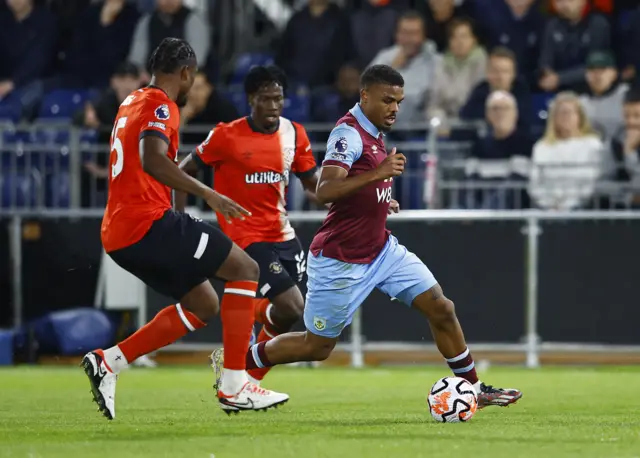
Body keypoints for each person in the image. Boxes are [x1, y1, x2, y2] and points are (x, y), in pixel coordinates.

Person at [212, 64, 523, 409]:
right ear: (365, 95)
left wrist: (378, 198)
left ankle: (474, 389)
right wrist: (378, 174)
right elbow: (326, 190)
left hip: (381, 250)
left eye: (399, 102)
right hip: (340, 260)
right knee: (317, 347)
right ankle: (237, 364)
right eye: (387, 100)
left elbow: (356, 185)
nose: (394, 108)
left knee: (441, 308)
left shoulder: (372, 130)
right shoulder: (347, 134)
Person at [80, 38, 288, 420]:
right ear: (187, 73)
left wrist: (182, 209)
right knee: (245, 269)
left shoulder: (132, 102)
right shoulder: (163, 104)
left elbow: (153, 166)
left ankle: (110, 361)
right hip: (147, 223)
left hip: (120, 233)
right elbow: (153, 160)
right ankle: (235, 384)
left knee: (204, 304)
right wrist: (208, 193)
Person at [179, 65, 318, 386]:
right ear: (251, 100)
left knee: (286, 314)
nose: (273, 106)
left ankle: (241, 372)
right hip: (244, 236)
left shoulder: (294, 133)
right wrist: (181, 221)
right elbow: (182, 174)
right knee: (291, 304)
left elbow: (312, 183)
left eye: (278, 99)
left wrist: (353, 194)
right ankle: (240, 374)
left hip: (282, 233)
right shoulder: (226, 135)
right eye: (266, 99)